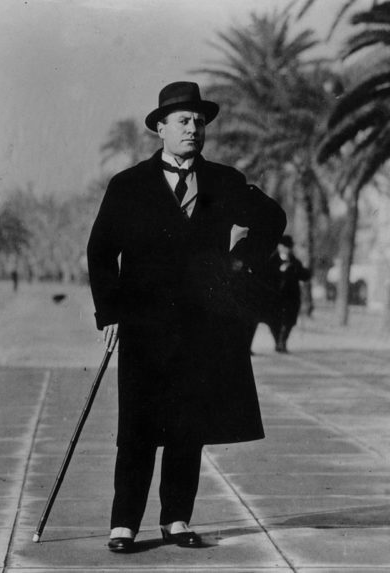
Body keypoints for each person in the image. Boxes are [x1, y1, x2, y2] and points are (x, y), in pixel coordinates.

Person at [87, 81, 286, 553]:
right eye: (182, 121)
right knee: (137, 424)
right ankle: (124, 525)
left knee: (187, 426)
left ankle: (176, 520)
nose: (193, 128)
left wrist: (241, 263)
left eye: (199, 121)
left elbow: (272, 219)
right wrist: (109, 312)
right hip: (143, 324)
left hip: (204, 326)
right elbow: (100, 251)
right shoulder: (128, 185)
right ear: (160, 128)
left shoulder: (224, 181)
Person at [264, 235, 310, 353]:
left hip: (291, 297)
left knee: (290, 320)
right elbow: (266, 276)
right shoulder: (271, 260)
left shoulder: (294, 261)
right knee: (274, 321)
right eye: (284, 246)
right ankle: (279, 342)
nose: (286, 249)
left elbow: (305, 276)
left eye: (288, 247)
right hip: (275, 297)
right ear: (279, 246)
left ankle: (282, 341)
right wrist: (280, 271)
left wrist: (298, 269)